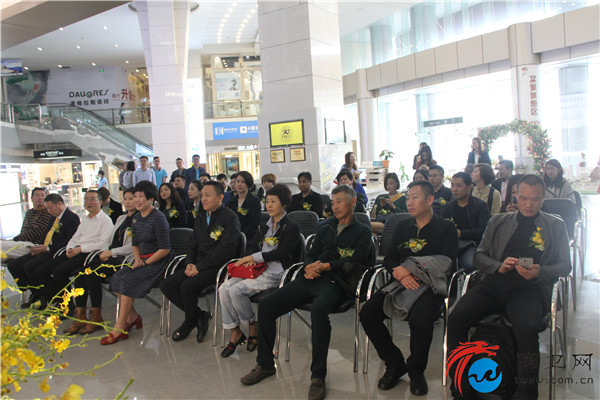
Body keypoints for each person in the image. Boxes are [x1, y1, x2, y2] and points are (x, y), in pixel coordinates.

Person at [240, 185, 372, 400]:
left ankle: (318, 376)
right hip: (312, 277)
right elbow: (310, 254)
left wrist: (326, 266)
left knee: (318, 311)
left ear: (353, 202)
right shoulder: (325, 227)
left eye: (340, 201)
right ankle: (265, 364)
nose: (335, 206)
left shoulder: (362, 231)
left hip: (338, 282)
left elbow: (358, 260)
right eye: (333, 202)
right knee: (267, 305)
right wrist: (309, 266)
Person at [447, 174, 571, 400]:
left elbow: (565, 265)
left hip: (529, 288)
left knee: (527, 329)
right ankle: (461, 386)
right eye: (523, 198)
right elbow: (479, 257)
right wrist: (499, 266)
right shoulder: (499, 221)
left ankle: (526, 392)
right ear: (515, 195)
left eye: (535, 199)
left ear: (543, 198)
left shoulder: (555, 225)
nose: (528, 204)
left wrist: (540, 272)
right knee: (456, 319)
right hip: (493, 284)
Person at [359, 181, 458, 395]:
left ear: (429, 200)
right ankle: (395, 363)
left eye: (415, 197)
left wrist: (411, 269)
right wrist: (399, 272)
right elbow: (389, 258)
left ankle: (416, 371)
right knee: (367, 313)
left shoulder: (445, 228)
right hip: (401, 281)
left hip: (430, 285)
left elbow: (448, 261)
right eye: (408, 197)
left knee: (421, 318)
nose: (409, 202)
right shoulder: (403, 227)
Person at [219, 184, 301, 358]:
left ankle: (252, 327)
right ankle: (235, 331)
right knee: (224, 288)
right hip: (257, 270)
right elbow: (252, 248)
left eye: (273, 201)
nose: (268, 205)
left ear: (284, 204)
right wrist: (250, 259)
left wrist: (254, 257)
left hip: (277, 273)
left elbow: (282, 252)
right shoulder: (263, 226)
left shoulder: (291, 227)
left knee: (237, 290)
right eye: (267, 201)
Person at [160, 181, 241, 343]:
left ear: (220, 197)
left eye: (208, 195)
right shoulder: (202, 216)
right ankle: (199, 316)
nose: (203, 199)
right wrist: (190, 262)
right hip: (198, 264)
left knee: (187, 286)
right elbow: (193, 244)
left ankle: (189, 322)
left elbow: (224, 252)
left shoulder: (230, 218)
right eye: (202, 195)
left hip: (218, 267)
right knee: (167, 285)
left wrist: (199, 267)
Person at [102, 181, 171, 345]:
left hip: (158, 262)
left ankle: (120, 326)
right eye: (135, 197)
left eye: (141, 196)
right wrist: (138, 259)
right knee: (116, 278)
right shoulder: (136, 218)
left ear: (151, 199)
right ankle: (133, 317)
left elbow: (165, 249)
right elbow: (135, 244)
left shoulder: (158, 218)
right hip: (142, 260)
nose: (137, 200)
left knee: (128, 280)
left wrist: (146, 263)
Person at [64, 188, 136, 335]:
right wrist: (104, 252)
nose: (128, 202)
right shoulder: (121, 219)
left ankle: (96, 317)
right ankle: (80, 316)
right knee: (80, 274)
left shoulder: (139, 220)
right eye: (125, 199)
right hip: (110, 256)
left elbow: (133, 247)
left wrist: (111, 252)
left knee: (92, 274)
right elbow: (109, 241)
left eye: (132, 199)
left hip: (124, 260)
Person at [34, 190, 113, 310]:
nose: (88, 202)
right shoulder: (85, 219)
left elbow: (103, 244)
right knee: (43, 270)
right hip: (76, 252)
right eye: (86, 199)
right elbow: (74, 238)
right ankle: (55, 300)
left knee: (59, 272)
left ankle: (67, 305)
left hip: (89, 254)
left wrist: (80, 249)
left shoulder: (105, 220)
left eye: (92, 199)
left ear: (100, 202)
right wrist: (70, 248)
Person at [7, 193, 80, 308]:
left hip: (57, 251)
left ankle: (51, 296)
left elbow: (70, 240)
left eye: (50, 208)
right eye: (47, 209)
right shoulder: (53, 218)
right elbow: (47, 235)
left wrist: (48, 248)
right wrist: (38, 246)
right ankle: (36, 292)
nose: (49, 211)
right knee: (14, 265)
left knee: (33, 268)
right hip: (45, 248)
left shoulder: (71, 218)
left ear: (59, 204)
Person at [440, 172, 489, 272]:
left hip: (471, 245)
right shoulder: (447, 207)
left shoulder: (480, 206)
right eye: (452, 185)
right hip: (450, 245)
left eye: (459, 186)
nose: (454, 189)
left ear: (469, 187)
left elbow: (483, 231)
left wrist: (461, 233)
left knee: (470, 264)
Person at [2, 187, 52, 260]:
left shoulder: (47, 213)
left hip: (34, 245)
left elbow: (36, 232)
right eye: (37, 195)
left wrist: (14, 240)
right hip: (22, 243)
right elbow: (23, 230)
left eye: (42, 195)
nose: (40, 197)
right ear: (31, 198)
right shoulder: (29, 213)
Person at [227, 171, 261, 249]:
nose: (239, 184)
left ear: (248, 184)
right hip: (232, 236)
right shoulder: (232, 201)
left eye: (243, 182)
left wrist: (239, 234)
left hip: (248, 238)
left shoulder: (254, 201)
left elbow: (253, 224)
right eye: (237, 181)